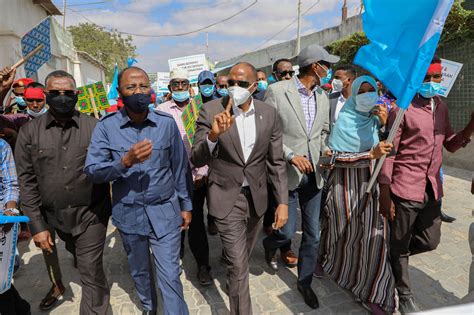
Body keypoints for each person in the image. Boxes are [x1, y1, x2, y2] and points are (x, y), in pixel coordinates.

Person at [84, 66, 192, 315]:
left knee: (170, 276)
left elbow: (179, 168)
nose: (138, 91)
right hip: (129, 215)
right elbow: (92, 170)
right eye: (131, 87)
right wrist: (124, 162)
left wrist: (186, 205)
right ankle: (148, 306)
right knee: (140, 271)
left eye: (143, 85)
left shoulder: (166, 124)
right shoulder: (106, 127)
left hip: (165, 212)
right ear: (120, 92)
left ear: (151, 89)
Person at [191, 62, 288, 315]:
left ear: (254, 86)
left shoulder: (269, 114)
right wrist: (212, 136)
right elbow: (197, 158)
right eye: (230, 83)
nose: (234, 88)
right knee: (239, 265)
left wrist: (283, 203)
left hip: (257, 199)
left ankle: (231, 272)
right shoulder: (210, 110)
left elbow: (276, 162)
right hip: (225, 198)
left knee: (240, 256)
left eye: (241, 84)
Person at [379, 57, 474, 314]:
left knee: (430, 241)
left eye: (436, 78)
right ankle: (405, 294)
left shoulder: (441, 107)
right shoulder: (403, 109)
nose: (431, 83)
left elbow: (451, 143)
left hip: (432, 188)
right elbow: (390, 153)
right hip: (404, 186)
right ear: (416, 79)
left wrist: (470, 127)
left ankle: (394, 258)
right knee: (399, 242)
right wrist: (384, 193)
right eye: (426, 78)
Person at [15, 70, 112, 314]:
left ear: (77, 95)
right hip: (54, 217)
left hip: (92, 214)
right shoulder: (29, 132)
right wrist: (37, 226)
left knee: (91, 271)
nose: (62, 97)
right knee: (75, 250)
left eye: (67, 93)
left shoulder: (95, 127)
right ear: (46, 94)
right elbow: (26, 181)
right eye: (55, 93)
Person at [263, 44, 338, 309]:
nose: (329, 70)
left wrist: (326, 151)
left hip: (315, 176)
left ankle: (304, 282)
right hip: (288, 174)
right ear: (315, 66)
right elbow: (268, 133)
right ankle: (269, 243)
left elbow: (325, 131)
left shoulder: (322, 97)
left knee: (313, 234)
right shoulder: (277, 92)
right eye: (326, 65)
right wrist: (290, 154)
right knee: (284, 231)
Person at [321, 76, 396, 315]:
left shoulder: (376, 121)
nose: (366, 95)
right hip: (345, 191)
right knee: (345, 238)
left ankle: (376, 293)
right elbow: (331, 159)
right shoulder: (344, 120)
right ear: (353, 94)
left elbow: (386, 154)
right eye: (361, 91)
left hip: (372, 192)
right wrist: (367, 156)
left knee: (376, 243)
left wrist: (385, 127)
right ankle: (339, 269)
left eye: (370, 90)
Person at [159, 68, 212, 286]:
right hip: (174, 178)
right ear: (170, 88)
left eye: (183, 84)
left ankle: (203, 266)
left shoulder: (201, 108)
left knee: (198, 222)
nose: (180, 88)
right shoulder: (161, 111)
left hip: (199, 177)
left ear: (189, 86)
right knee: (176, 223)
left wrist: (202, 173)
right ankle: (176, 259)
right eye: (175, 85)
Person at [0, 138, 31, 315]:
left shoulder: (1, 146)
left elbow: (11, 184)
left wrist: (10, 213)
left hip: (1, 222)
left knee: (2, 285)